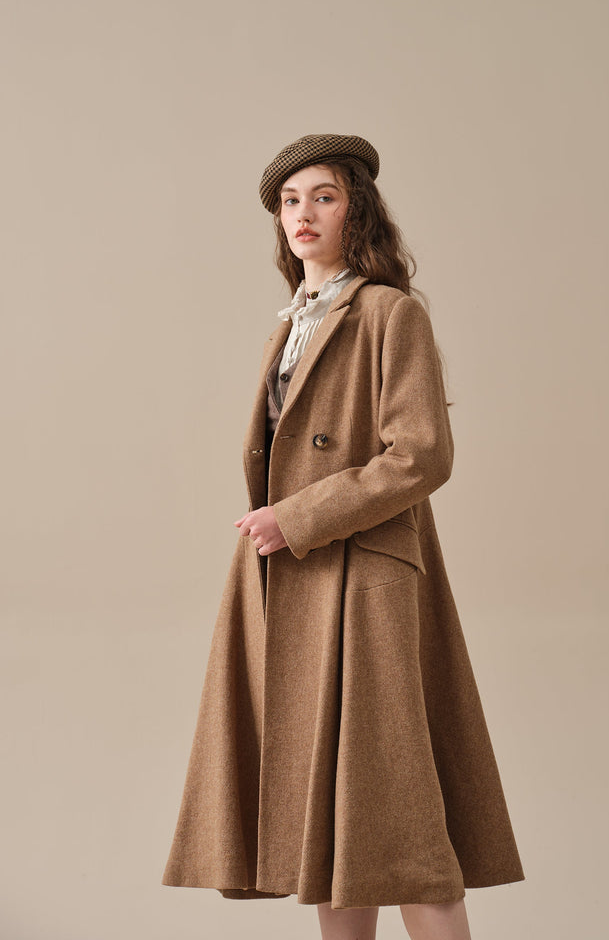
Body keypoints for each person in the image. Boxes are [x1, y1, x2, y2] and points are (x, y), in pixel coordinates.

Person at [162, 134, 524, 940]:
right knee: (329, 831)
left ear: (357, 209)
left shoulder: (390, 313)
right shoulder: (291, 325)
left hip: (362, 580)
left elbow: (421, 454)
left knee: (401, 821)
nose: (303, 214)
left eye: (323, 196)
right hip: (291, 579)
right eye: (290, 202)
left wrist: (294, 519)